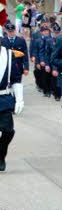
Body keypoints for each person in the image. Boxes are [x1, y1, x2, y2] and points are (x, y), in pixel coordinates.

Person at [0, 29, 26, 172]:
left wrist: (20, 99)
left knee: (8, 131)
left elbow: (16, 79)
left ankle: (1, 155)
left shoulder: (9, 55)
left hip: (3, 98)